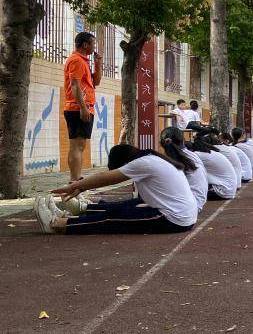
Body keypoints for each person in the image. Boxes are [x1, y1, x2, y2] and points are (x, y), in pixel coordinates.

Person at [35, 144, 198, 235]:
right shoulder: (151, 158)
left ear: (125, 162)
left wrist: (75, 186)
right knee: (123, 209)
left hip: (173, 219)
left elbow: (106, 177)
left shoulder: (144, 163)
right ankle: (70, 216)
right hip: (179, 214)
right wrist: (81, 186)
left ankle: (57, 225)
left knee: (111, 219)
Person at [63, 31, 102, 182]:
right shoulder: (76, 60)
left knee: (80, 145)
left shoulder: (84, 61)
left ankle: (76, 178)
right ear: (85, 45)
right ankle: (74, 180)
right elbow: (75, 85)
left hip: (83, 108)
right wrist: (83, 107)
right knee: (76, 145)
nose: (94, 47)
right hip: (77, 109)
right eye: (93, 44)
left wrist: (98, 64)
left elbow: (96, 82)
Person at [159, 126, 208, 211]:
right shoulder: (191, 154)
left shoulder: (172, 160)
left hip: (186, 208)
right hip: (197, 202)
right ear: (183, 140)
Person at [189, 133, 239, 200]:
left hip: (223, 191)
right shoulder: (212, 152)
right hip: (229, 188)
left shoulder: (199, 155)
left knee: (192, 189)